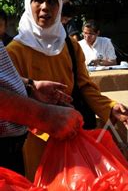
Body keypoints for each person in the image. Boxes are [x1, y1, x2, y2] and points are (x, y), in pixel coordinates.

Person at [7, 0, 128, 179]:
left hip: (70, 134)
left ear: (59, 6)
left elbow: (85, 86)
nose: (44, 7)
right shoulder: (13, 52)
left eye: (52, 1)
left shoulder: (70, 47)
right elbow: (10, 99)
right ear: (27, 4)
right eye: (38, 0)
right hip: (35, 142)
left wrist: (109, 106)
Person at [0, 41, 82, 175]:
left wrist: (29, 86)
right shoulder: (16, 48)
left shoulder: (70, 45)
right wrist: (44, 115)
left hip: (11, 149)